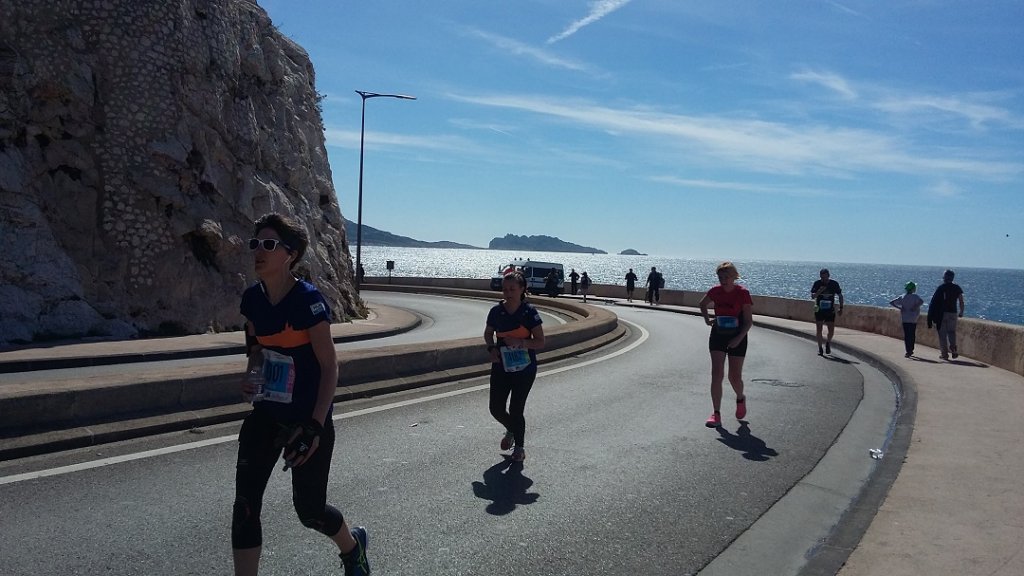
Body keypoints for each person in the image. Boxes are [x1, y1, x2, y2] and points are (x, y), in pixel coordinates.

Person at [234, 213, 370, 576]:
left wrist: (314, 425)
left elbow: (329, 367)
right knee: (245, 506)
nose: (258, 251)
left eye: (268, 245)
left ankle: (353, 548)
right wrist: (250, 377)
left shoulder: (308, 301)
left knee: (310, 512)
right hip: (265, 415)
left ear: (290, 254)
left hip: (307, 420)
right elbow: (256, 353)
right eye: (255, 244)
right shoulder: (251, 301)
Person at [484, 271, 545, 462]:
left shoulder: (529, 312)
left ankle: (519, 447)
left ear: (522, 290)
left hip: (525, 368)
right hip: (501, 366)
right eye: (504, 289)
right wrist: (491, 348)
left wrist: (521, 343)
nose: (507, 292)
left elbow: (540, 341)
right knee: (496, 408)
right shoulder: (496, 311)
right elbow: (488, 334)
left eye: (512, 289)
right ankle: (512, 428)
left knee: (517, 409)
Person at [698, 261, 753, 428]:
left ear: (734, 277)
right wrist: (708, 319)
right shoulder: (715, 291)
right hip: (718, 334)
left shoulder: (742, 293)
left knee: (734, 377)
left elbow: (749, 321)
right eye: (720, 277)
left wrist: (738, 338)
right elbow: (702, 304)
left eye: (726, 277)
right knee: (717, 374)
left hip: (737, 335)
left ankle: (740, 397)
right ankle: (716, 414)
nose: (723, 280)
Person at [927, 269, 965, 360]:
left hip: (942, 314)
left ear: (945, 277)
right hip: (953, 313)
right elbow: (961, 301)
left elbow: (933, 302)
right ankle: (953, 348)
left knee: (942, 334)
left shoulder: (941, 288)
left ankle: (944, 354)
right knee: (952, 332)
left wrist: (930, 317)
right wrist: (961, 312)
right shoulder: (957, 288)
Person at [811, 268, 844, 355]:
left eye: (825, 278)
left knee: (831, 330)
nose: (824, 280)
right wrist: (819, 291)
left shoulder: (834, 284)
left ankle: (828, 343)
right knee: (819, 329)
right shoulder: (817, 283)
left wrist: (841, 307)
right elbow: (813, 296)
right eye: (822, 278)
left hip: (830, 310)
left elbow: (840, 296)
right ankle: (820, 348)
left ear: (828, 276)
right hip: (819, 310)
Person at [890, 281, 924, 358]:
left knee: (906, 335)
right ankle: (911, 350)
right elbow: (921, 301)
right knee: (912, 335)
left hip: (905, 318)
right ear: (913, 289)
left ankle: (907, 351)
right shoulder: (915, 296)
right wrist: (915, 307)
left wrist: (900, 308)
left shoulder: (902, 296)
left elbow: (892, 302)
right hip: (913, 319)